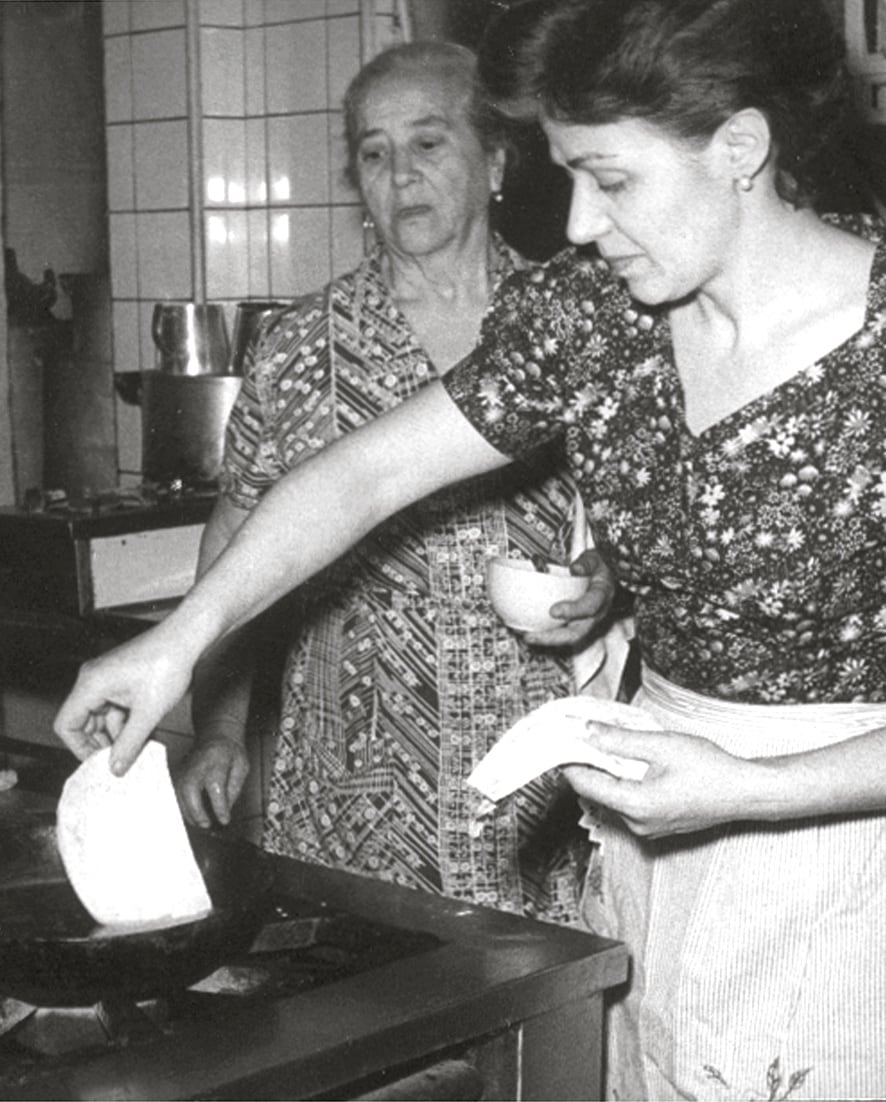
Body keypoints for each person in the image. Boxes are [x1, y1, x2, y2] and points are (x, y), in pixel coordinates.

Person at [53, 0, 886, 1096]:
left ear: (738, 147)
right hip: (651, 821)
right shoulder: (597, 318)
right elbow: (367, 471)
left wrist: (752, 787)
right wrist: (181, 638)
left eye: (612, 178)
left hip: (841, 837)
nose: (580, 221)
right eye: (564, 174)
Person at [172, 41, 613, 923]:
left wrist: (607, 578)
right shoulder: (301, 348)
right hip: (349, 779)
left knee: (537, 1032)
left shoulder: (579, 320)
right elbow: (233, 547)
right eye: (374, 153)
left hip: (533, 769)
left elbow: (628, 515)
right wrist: (218, 728)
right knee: (362, 1023)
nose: (399, 174)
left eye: (428, 144)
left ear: (495, 160)